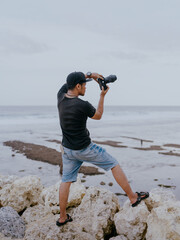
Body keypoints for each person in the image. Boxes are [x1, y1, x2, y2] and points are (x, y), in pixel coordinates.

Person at [56, 71, 149, 226]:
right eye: (84, 85)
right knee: (113, 163)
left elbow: (69, 83)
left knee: (66, 181)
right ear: (78, 86)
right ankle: (133, 197)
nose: (86, 87)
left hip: (67, 150)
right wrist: (102, 95)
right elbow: (98, 115)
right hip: (85, 149)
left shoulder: (60, 98)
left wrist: (89, 75)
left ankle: (62, 217)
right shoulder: (82, 105)